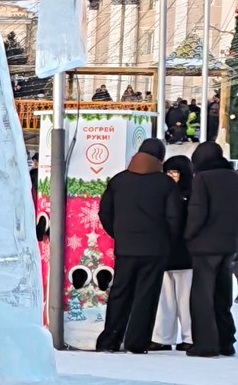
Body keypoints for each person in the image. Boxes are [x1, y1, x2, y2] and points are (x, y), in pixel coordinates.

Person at [95, 139, 181, 355]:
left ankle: (109, 340)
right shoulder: (166, 184)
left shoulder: (119, 181)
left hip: (126, 247)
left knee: (120, 292)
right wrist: (165, 239)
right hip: (156, 249)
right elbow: (175, 218)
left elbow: (104, 212)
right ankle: (136, 342)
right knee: (146, 295)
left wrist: (120, 234)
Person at [186, 139, 238, 357]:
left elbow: (197, 213)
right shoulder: (234, 177)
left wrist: (187, 237)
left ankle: (206, 344)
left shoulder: (202, 179)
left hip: (205, 245)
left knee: (202, 296)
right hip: (230, 244)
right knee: (222, 294)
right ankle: (227, 341)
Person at [153, 154, 195, 350]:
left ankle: (190, 337)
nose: (170, 176)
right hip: (166, 253)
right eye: (168, 172)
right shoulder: (164, 193)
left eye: (175, 173)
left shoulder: (192, 194)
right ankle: (163, 337)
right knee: (165, 300)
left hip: (185, 255)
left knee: (186, 300)